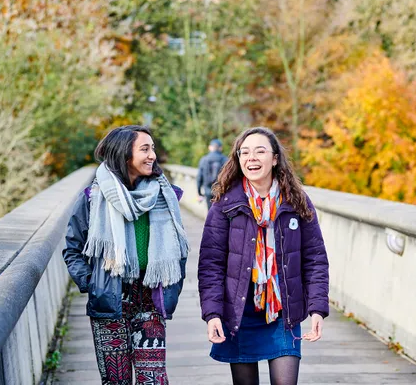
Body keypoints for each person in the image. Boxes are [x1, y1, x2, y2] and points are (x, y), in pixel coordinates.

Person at [198, 126, 330, 385]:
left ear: (275, 158)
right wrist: (212, 313)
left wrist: (317, 309)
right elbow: (210, 265)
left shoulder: (296, 202)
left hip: (283, 310)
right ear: (237, 159)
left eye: (260, 151)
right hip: (239, 312)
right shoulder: (225, 204)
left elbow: (315, 259)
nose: (251, 158)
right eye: (244, 152)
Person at [63, 125, 190, 384]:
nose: (152, 155)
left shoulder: (165, 195)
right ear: (124, 154)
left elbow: (179, 248)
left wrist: (172, 286)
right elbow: (72, 249)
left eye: (152, 148)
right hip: (110, 300)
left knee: (153, 379)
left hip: (150, 298)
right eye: (145, 149)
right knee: (116, 381)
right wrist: (93, 283)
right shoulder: (93, 198)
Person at [197, 138, 228, 210]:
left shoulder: (204, 159)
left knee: (210, 211)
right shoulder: (225, 160)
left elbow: (199, 178)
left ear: (210, 147)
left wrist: (199, 192)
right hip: (221, 192)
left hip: (208, 191)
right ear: (220, 148)